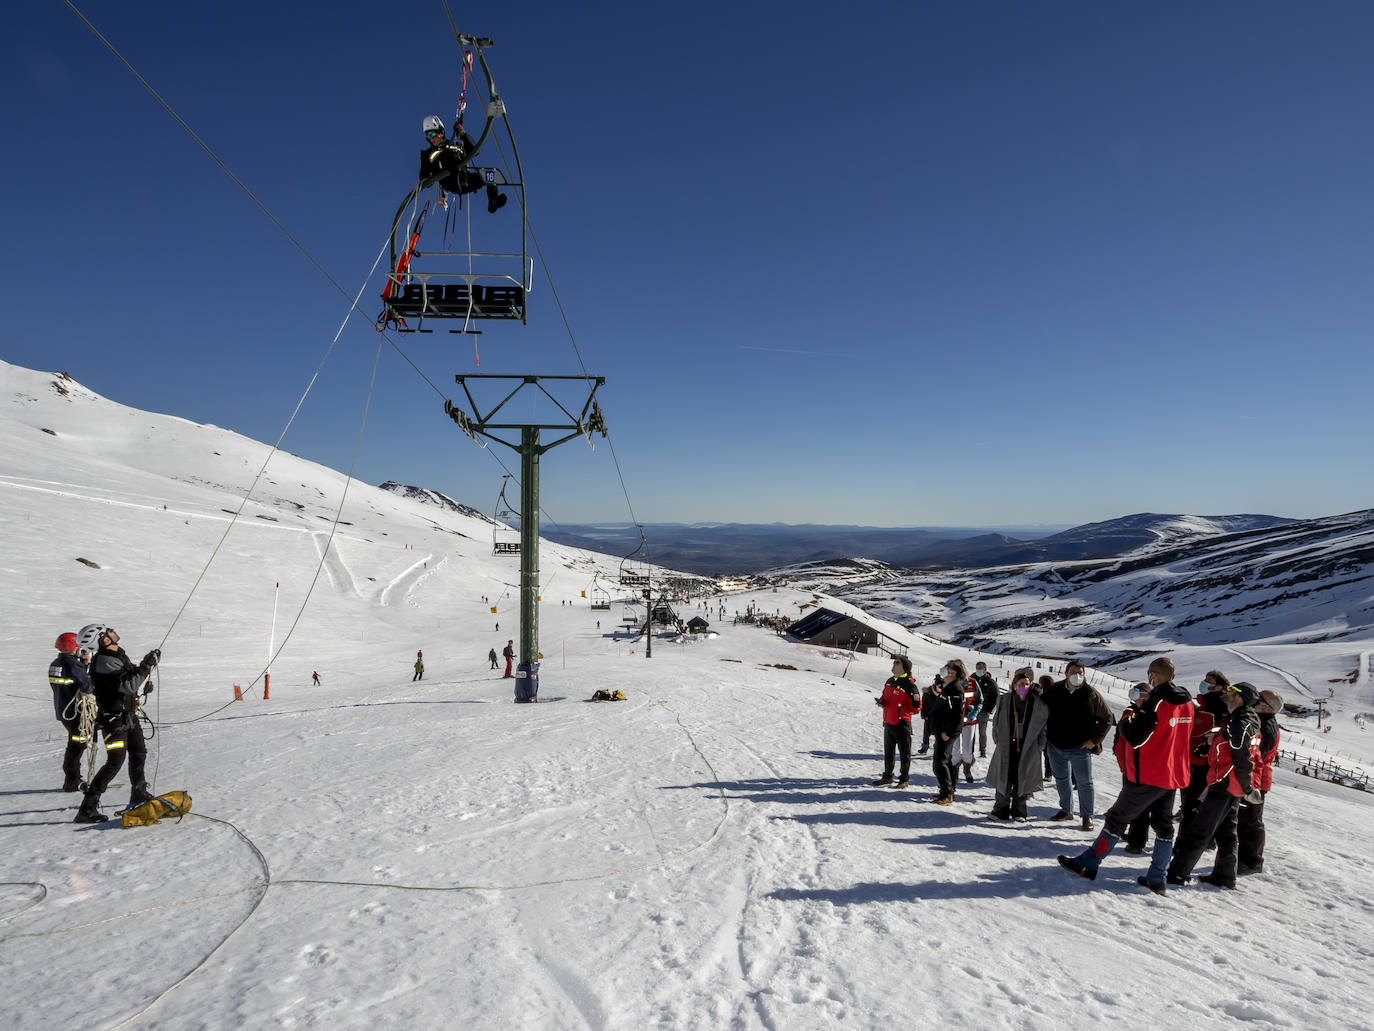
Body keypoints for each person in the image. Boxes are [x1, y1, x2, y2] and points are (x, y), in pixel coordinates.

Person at [1057, 657, 1194, 893]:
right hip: (1172, 772)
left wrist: (1129, 719)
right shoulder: (1187, 702)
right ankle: (1157, 876)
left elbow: (1136, 737)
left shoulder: (1157, 702)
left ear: (1153, 675)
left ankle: (1089, 862)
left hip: (1149, 772)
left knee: (1117, 818)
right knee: (1163, 825)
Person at [1167, 681, 1262, 889]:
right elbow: (1230, 740)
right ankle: (1225, 875)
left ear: (1241, 697)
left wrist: (1247, 787)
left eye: (1231, 691)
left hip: (1226, 782)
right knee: (1227, 831)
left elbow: (1241, 753)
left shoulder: (1241, 721)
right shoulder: (1240, 718)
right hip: (1229, 783)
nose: (1226, 693)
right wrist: (1210, 743)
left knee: (1201, 829)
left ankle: (1176, 874)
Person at [75, 626, 160, 823]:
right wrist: (146, 667)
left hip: (127, 717)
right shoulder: (104, 661)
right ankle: (87, 808)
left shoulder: (116, 654)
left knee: (139, 753)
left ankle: (138, 793)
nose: (113, 631)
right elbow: (129, 684)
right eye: (108, 631)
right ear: (102, 640)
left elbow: (128, 683)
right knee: (115, 761)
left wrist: (143, 674)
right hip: (114, 721)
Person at [1042, 660, 1112, 831]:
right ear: (1066, 673)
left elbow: (1107, 718)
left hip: (1080, 748)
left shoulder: (1090, 694)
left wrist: (1095, 740)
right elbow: (1035, 704)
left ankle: (1087, 816)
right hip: (1055, 745)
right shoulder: (1054, 690)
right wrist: (1022, 684)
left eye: (1080, 672)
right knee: (1061, 779)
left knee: (1084, 783)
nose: (1077, 675)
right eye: (1073, 672)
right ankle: (1066, 810)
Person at [986, 667, 1048, 821]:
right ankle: (1000, 809)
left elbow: (1043, 728)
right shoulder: (1005, 700)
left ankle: (1020, 811)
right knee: (1004, 777)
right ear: (1014, 684)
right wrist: (997, 739)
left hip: (1028, 747)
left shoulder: (1037, 704)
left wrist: (1039, 746)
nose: (1024, 687)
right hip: (1007, 745)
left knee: (1023, 777)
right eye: (1021, 683)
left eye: (1027, 684)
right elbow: (996, 722)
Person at [419, 115, 507, 213]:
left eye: (433, 135)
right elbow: (424, 178)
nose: (431, 139)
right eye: (428, 136)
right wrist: (432, 177)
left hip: (465, 179)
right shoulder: (428, 154)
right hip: (450, 181)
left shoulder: (455, 145)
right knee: (447, 157)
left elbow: (475, 151)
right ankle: (451, 168)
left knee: (491, 175)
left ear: (441, 133)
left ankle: (493, 202)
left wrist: (463, 134)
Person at [1238, 690, 1283, 875]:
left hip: (1257, 778)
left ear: (1267, 707)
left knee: (1251, 821)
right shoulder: (1261, 721)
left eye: (1260, 698)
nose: (1255, 699)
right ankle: (1244, 859)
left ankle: (1252, 862)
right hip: (1254, 776)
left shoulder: (1266, 726)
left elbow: (1258, 755)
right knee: (1246, 820)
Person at [1177, 670, 1229, 823]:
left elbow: (1219, 734)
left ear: (1219, 687)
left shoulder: (1221, 708)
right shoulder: (1204, 705)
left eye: (1209, 681)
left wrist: (1206, 750)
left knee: (1197, 801)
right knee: (1188, 796)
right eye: (1204, 680)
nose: (1204, 683)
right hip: (1190, 758)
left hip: (1205, 762)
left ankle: (1197, 835)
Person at [49, 632, 94, 792]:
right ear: (73, 647)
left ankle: (73, 778)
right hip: (75, 712)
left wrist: (83, 664)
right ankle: (72, 780)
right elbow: (85, 685)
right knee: (77, 745)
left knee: (75, 744)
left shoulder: (56, 663)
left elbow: (72, 681)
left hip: (63, 711)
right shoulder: (72, 664)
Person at [872, 656, 920, 788]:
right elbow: (885, 697)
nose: (893, 664)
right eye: (893, 662)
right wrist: (882, 702)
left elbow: (917, 707)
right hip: (888, 722)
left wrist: (900, 711)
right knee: (888, 753)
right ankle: (887, 776)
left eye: (897, 663)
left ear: (904, 667)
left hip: (901, 724)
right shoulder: (889, 681)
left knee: (905, 754)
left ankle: (904, 779)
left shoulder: (909, 685)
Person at [928, 661, 968, 804]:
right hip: (942, 729)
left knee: (940, 762)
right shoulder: (948, 687)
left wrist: (948, 732)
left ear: (954, 672)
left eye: (949, 668)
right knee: (944, 761)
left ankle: (947, 794)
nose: (945, 670)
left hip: (947, 731)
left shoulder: (955, 689)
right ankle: (947, 791)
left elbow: (957, 714)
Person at [949, 663, 982, 785]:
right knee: (955, 749)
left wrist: (974, 712)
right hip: (954, 722)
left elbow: (980, 700)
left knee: (967, 750)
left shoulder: (972, 682)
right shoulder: (949, 682)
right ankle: (954, 770)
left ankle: (967, 769)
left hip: (969, 722)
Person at [974, 661, 999, 759]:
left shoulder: (990, 681)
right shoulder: (972, 679)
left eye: (980, 669)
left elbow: (996, 696)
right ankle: (969, 750)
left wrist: (990, 710)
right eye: (977, 668)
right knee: (970, 731)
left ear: (985, 670)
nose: (978, 670)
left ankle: (982, 751)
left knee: (982, 732)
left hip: (984, 710)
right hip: (972, 710)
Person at [918, 675, 940, 754]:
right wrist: (924, 714)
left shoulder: (944, 692)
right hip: (929, 715)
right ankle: (924, 748)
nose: (939, 689)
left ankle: (937, 748)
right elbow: (923, 704)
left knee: (939, 734)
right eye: (938, 687)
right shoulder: (928, 692)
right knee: (926, 734)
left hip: (939, 717)